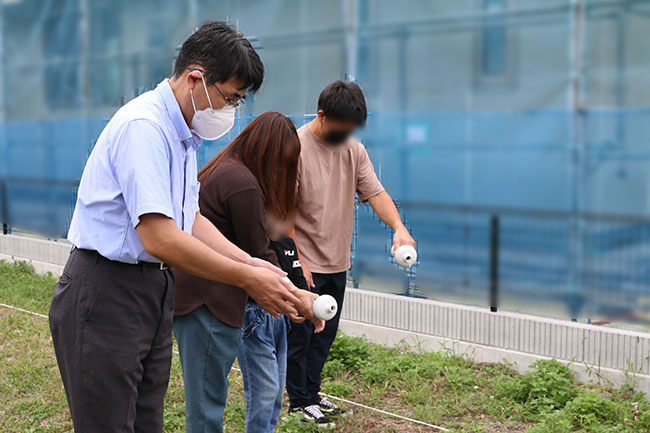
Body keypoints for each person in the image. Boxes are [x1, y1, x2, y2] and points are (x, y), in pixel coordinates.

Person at [48, 22, 309, 433]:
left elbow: (189, 219)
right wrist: (247, 278)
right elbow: (159, 236)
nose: (231, 111)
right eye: (230, 97)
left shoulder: (181, 135)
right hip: (107, 291)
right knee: (109, 424)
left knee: (145, 420)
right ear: (195, 78)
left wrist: (254, 265)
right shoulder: (144, 128)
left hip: (152, 288)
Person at [172, 111, 320, 433]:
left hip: (212, 297)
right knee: (207, 410)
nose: (283, 171)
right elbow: (259, 252)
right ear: (267, 153)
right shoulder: (242, 184)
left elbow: (253, 255)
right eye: (282, 162)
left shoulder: (229, 170)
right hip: (206, 302)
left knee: (210, 402)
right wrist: (298, 298)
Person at [287, 81, 416, 422]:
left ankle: (312, 395)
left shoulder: (353, 150)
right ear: (321, 115)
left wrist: (399, 228)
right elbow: (283, 215)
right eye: (339, 128)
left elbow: (375, 193)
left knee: (324, 336)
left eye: (351, 129)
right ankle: (298, 404)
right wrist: (298, 267)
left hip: (336, 261)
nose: (345, 135)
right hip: (304, 264)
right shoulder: (295, 148)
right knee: (300, 337)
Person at [238, 210, 329, 432]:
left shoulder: (288, 243)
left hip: (280, 320)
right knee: (265, 391)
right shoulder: (253, 245)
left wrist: (309, 309)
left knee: (276, 392)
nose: (284, 222)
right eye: (278, 215)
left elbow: (296, 281)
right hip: (254, 317)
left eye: (288, 216)